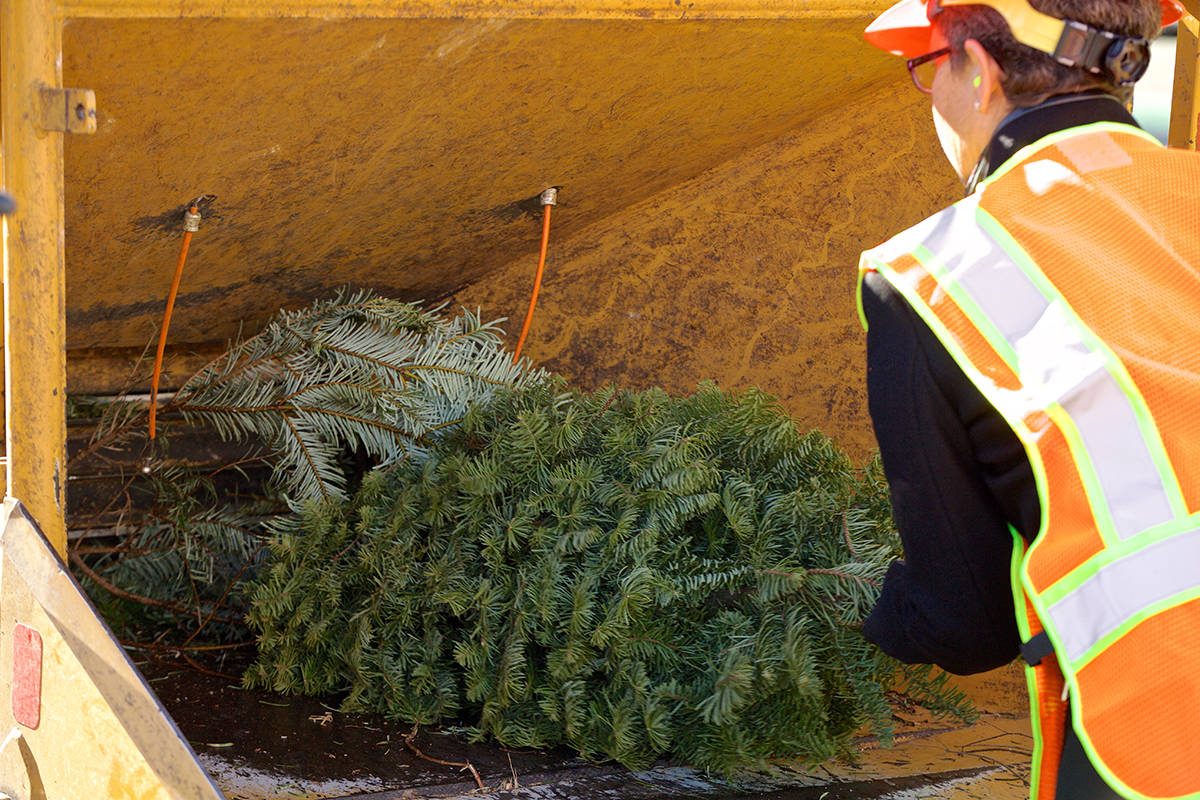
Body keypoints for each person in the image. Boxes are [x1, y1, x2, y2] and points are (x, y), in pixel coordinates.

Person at [855, 0, 1200, 798]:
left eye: (924, 68)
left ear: (978, 69)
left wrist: (856, 604)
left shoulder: (934, 276)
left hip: (1162, 740)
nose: (932, 98)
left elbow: (965, 623)